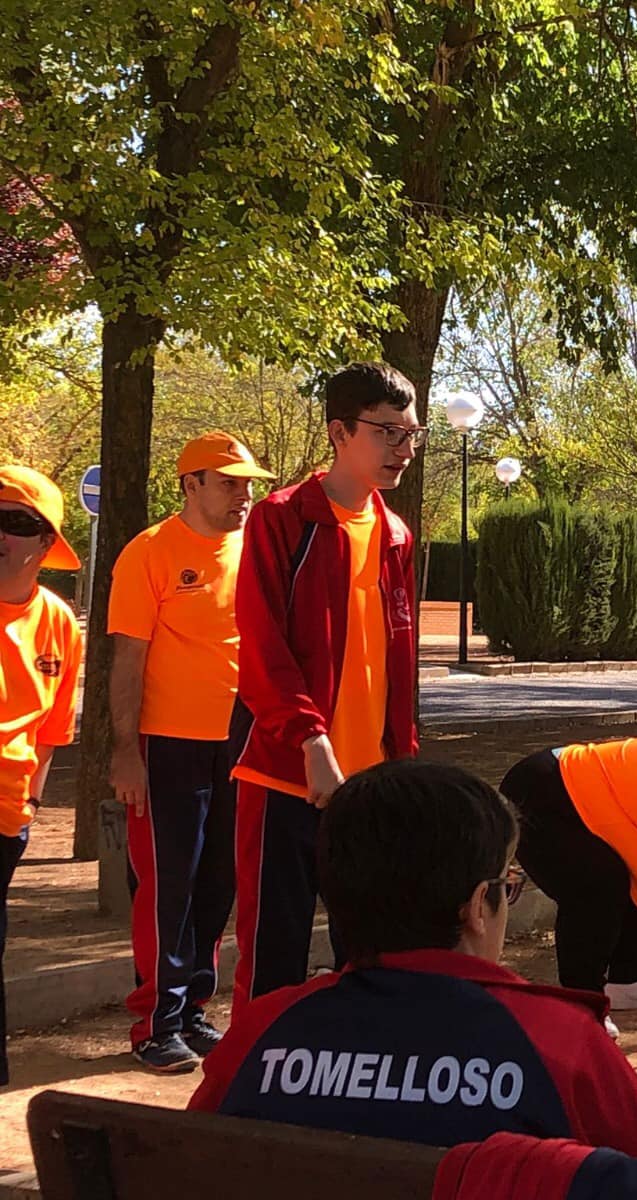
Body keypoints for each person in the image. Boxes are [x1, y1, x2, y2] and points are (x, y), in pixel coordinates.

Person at [188, 760, 637, 1181]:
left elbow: (184, 1162)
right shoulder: (559, 1042)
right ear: (479, 905)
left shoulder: (261, 1030)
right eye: (509, 883)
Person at [230, 362, 421, 1015]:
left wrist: (403, 764)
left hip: (368, 788)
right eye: (388, 432)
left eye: (412, 434)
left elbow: (401, 663)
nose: (404, 449)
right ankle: (250, 1086)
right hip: (288, 777)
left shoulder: (396, 533)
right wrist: (311, 740)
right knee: (274, 957)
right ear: (339, 431)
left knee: (369, 954)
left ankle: (352, 1087)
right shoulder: (282, 519)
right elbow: (261, 649)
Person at [107, 432, 276, 1073]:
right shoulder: (149, 552)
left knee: (219, 880)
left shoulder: (256, 546)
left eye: (248, 482)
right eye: (229, 481)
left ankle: (193, 1010)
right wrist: (126, 751)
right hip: (168, 741)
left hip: (241, 739)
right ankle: (155, 1023)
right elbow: (128, 658)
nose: (243, 493)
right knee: (167, 882)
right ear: (191, 484)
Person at [498, 735, 637, 1038]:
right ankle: (582, 1001)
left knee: (636, 867)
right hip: (546, 789)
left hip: (590, 796)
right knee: (596, 887)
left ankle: (628, 980)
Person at [0, 466, 82, 1087]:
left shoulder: (57, 619)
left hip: (9, 815)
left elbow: (54, 726)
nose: (1, 533)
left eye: (17, 522)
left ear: (46, 543)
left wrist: (30, 801)